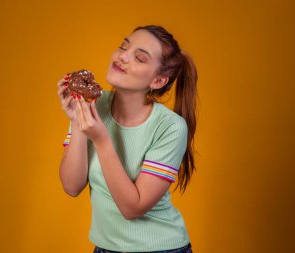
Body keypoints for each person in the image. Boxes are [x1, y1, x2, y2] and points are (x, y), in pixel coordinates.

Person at [57, 25, 198, 253]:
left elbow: (132, 209)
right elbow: (71, 186)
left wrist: (101, 139)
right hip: (105, 248)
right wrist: (77, 121)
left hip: (160, 249)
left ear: (158, 81)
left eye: (139, 58)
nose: (122, 57)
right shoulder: (93, 103)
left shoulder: (170, 127)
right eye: (124, 46)